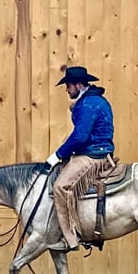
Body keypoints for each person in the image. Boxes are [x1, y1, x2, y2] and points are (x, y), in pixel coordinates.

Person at [43, 66, 115, 252]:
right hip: (94, 150)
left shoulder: (88, 104)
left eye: (68, 85)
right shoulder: (94, 101)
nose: (67, 90)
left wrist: (57, 155)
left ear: (78, 84)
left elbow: (80, 136)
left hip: (93, 155)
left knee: (60, 187)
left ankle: (70, 238)